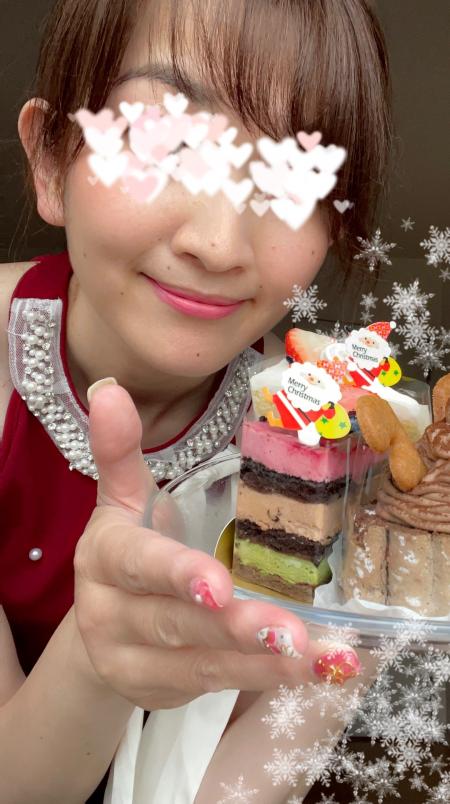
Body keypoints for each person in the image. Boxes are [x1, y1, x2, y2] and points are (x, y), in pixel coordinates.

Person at [0, 0, 392, 801]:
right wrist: (95, 661)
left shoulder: (328, 459)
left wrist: (365, 629)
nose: (217, 244)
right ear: (50, 159)